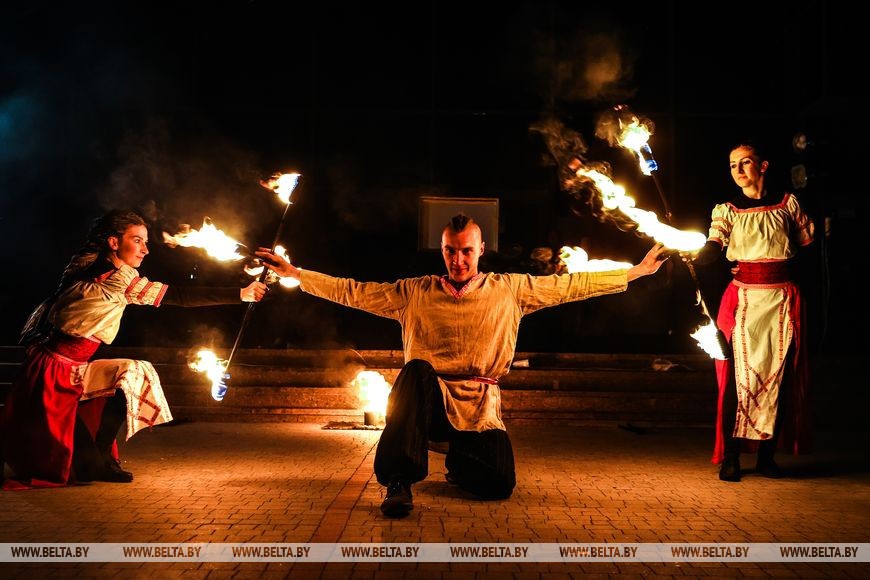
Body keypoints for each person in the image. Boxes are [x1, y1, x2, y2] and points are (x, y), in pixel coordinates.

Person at [257, 213, 668, 517]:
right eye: (450, 251)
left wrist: (635, 272)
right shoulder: (414, 292)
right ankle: (399, 482)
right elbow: (353, 291)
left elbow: (571, 285)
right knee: (416, 370)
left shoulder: (510, 290)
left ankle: (457, 459)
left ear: (481, 250)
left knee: (498, 485)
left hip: (478, 407)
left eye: (466, 251)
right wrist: (296, 274)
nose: (458, 260)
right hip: (430, 401)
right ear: (442, 250)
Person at [0, 209, 267, 489]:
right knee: (80, 471)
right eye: (137, 240)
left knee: (134, 372)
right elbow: (178, 295)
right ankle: (91, 459)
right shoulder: (118, 279)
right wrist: (240, 294)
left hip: (76, 369)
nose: (145, 250)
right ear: (114, 242)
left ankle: (104, 456)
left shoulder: (87, 261)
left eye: (146, 242)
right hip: (52, 377)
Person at [690, 141, 814, 482]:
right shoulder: (727, 210)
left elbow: (807, 246)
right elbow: (714, 245)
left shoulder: (788, 204)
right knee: (737, 381)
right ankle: (731, 458)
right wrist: (696, 253)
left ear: (763, 166)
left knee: (779, 380)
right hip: (743, 301)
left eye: (745, 162)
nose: (738, 170)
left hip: (782, 301)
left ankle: (766, 458)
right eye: (733, 165)